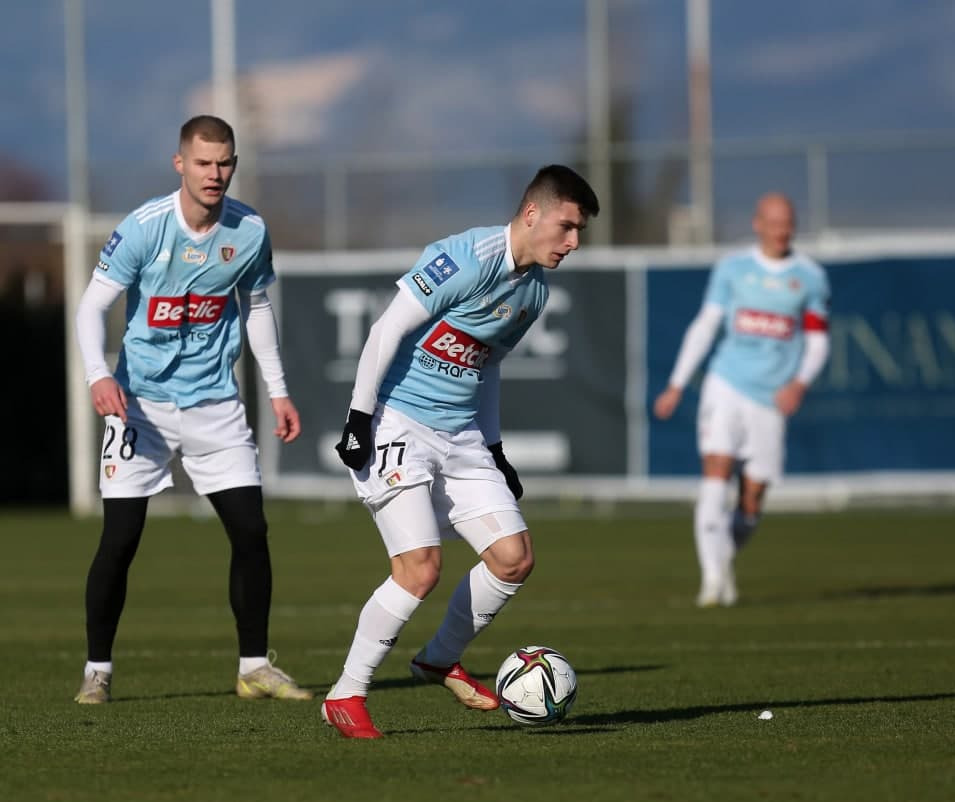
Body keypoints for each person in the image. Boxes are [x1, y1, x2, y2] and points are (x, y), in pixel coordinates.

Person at [322, 165, 599, 738]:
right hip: (397, 423)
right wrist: (358, 418)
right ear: (532, 214)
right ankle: (346, 694)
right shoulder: (467, 258)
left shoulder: (535, 292)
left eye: (580, 232)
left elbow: (486, 365)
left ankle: (438, 659)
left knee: (513, 558)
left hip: (461, 435)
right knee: (419, 569)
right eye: (567, 227)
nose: (573, 242)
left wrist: (494, 448)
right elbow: (386, 329)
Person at [72, 115, 311, 703]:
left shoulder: (249, 230)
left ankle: (254, 667)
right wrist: (99, 375)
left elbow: (257, 307)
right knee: (120, 539)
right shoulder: (144, 228)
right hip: (139, 407)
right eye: (203, 162)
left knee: (251, 530)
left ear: (234, 165)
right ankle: (97, 671)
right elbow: (90, 308)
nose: (214, 173)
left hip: (215, 405)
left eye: (224, 163)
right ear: (180, 163)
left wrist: (277, 390)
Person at [652, 193, 830, 607]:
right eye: (774, 222)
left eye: (787, 223)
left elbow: (818, 341)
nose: (781, 231)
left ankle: (723, 559)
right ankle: (712, 581)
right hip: (726, 384)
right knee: (716, 471)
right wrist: (677, 384)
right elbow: (706, 325)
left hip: (770, 399)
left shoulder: (810, 277)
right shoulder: (732, 269)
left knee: (751, 501)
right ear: (757, 223)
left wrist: (799, 383)